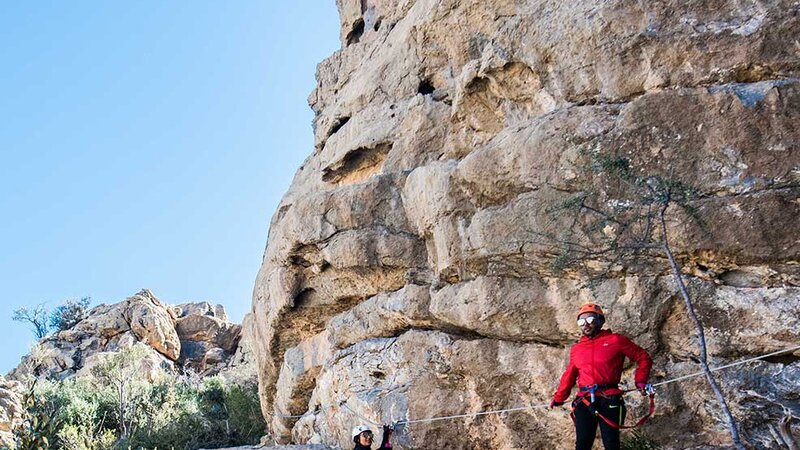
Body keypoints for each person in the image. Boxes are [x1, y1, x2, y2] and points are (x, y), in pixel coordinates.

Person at [550, 303, 652, 450]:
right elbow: (569, 375)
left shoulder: (615, 340)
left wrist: (640, 381)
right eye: (581, 321)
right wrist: (559, 398)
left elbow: (643, 357)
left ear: (600, 320)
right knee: (582, 445)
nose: (585, 324)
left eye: (590, 319)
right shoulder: (577, 349)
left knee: (611, 444)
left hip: (609, 398)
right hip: (584, 401)